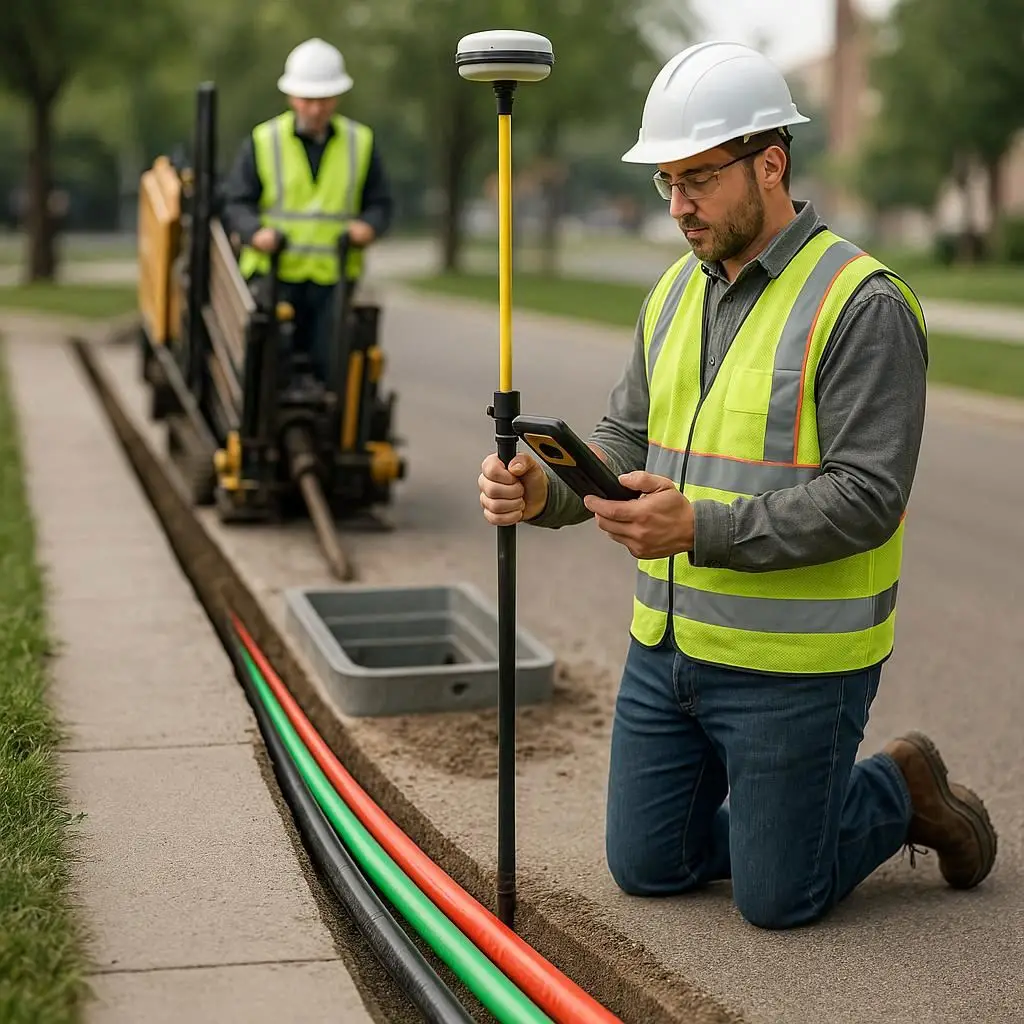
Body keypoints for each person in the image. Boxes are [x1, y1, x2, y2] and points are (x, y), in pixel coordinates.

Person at [476, 41, 997, 929]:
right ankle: (787, 826)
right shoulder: (673, 294)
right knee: (646, 865)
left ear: (771, 164)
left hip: (794, 667)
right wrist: (545, 492)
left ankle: (898, 790)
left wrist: (699, 529)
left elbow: (867, 497)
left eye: (698, 179)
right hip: (669, 646)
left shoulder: (862, 304)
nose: (677, 206)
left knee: (778, 900)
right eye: (666, 182)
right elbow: (623, 438)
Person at [221, 37, 394, 381]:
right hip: (274, 275)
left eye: (323, 100)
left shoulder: (360, 142)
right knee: (268, 358)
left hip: (334, 279)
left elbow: (380, 203)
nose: (315, 109)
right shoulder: (263, 140)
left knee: (334, 360)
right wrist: (255, 232)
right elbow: (237, 201)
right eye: (308, 100)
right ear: (291, 97)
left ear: (337, 97)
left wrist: (369, 226)